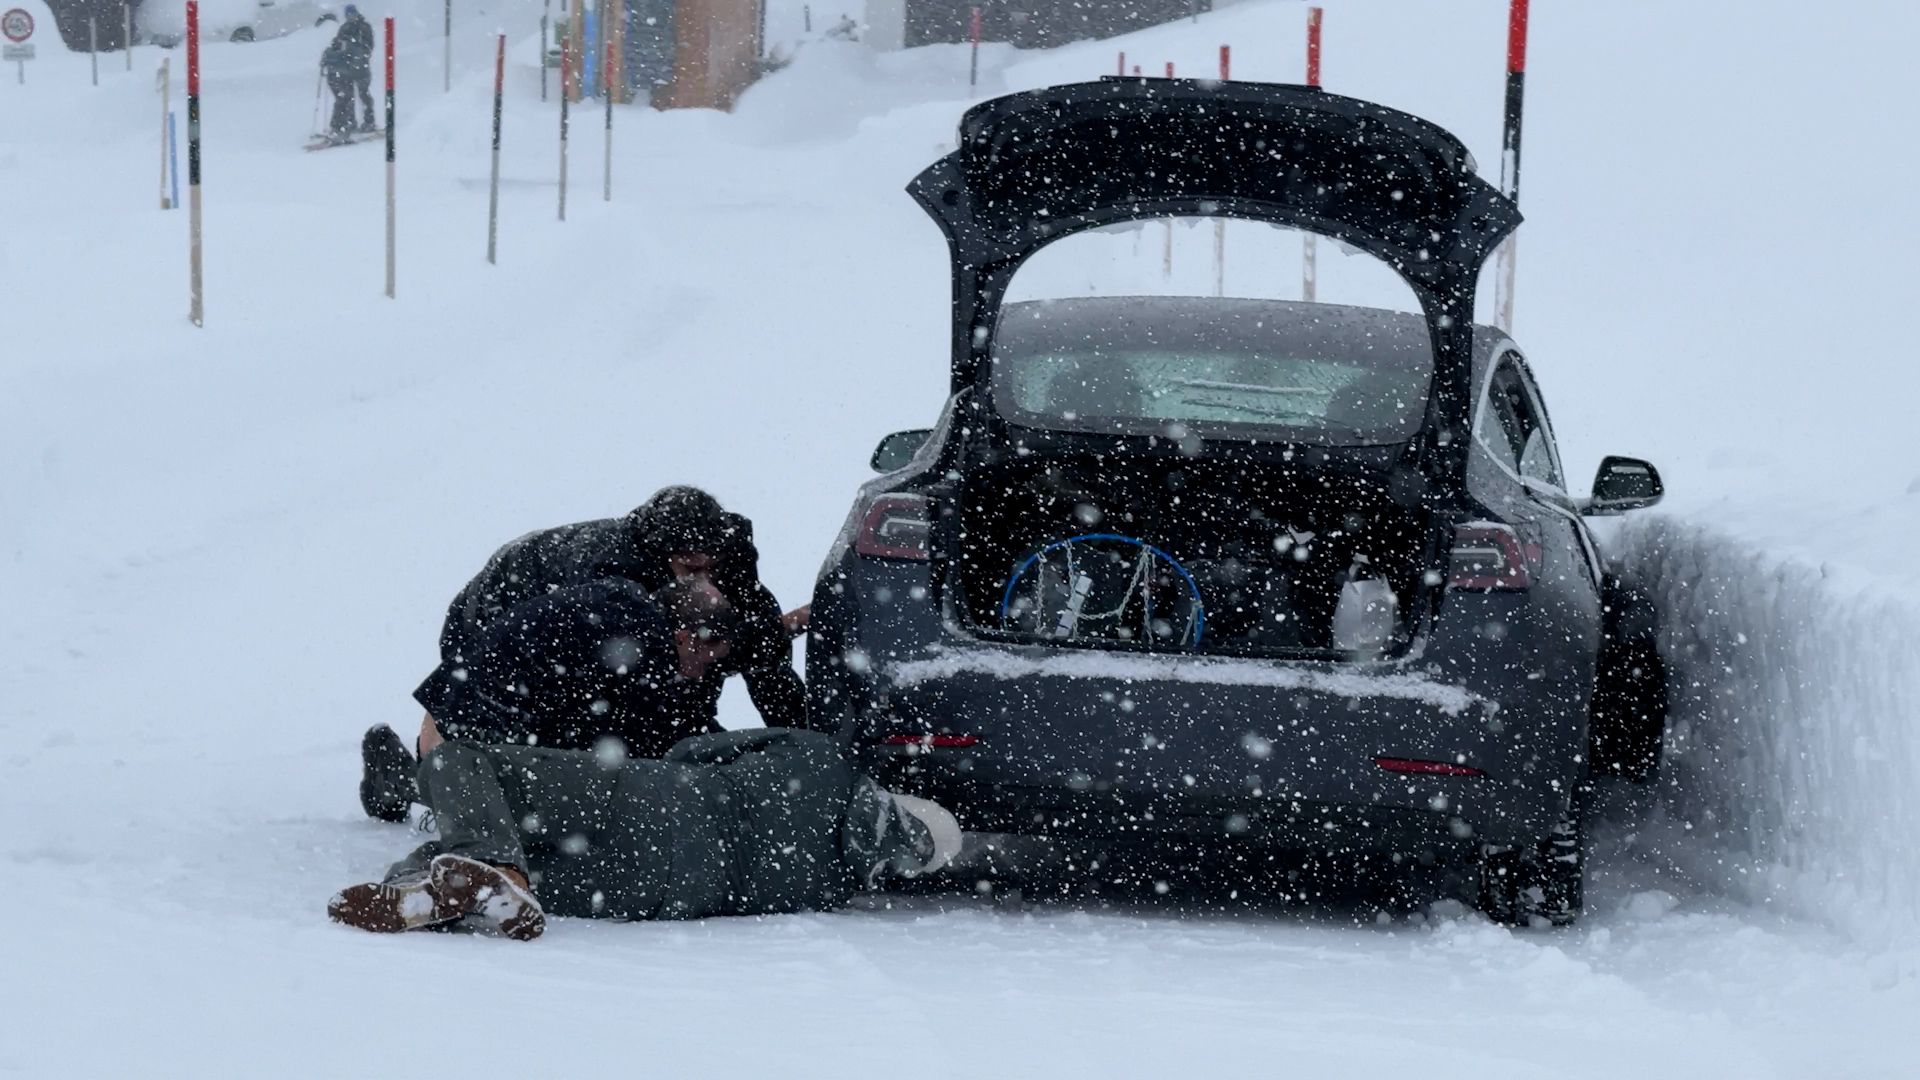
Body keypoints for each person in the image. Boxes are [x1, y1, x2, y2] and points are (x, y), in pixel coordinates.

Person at [327, 582, 959, 940]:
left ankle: (448, 876)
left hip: (648, 796)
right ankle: (460, 886)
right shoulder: (830, 887)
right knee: (495, 855)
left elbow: (695, 751)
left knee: (463, 762)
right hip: (645, 891)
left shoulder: (823, 762)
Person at [357, 486, 808, 822]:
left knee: (672, 724)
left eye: (713, 566)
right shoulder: (606, 581)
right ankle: (407, 779)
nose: (706, 577)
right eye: (691, 567)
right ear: (660, 555)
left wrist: (804, 745)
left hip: (633, 644)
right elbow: (506, 666)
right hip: (497, 619)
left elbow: (760, 652)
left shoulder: (727, 571)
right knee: (516, 754)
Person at [319, 5, 375, 139]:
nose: (351, 17)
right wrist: (335, 47)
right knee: (348, 96)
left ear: (357, 13)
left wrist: (354, 48)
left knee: (364, 94)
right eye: (349, 15)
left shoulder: (364, 27)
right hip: (347, 69)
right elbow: (338, 43)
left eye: (353, 14)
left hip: (361, 68)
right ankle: (351, 122)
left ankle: (369, 121)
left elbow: (368, 47)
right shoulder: (344, 28)